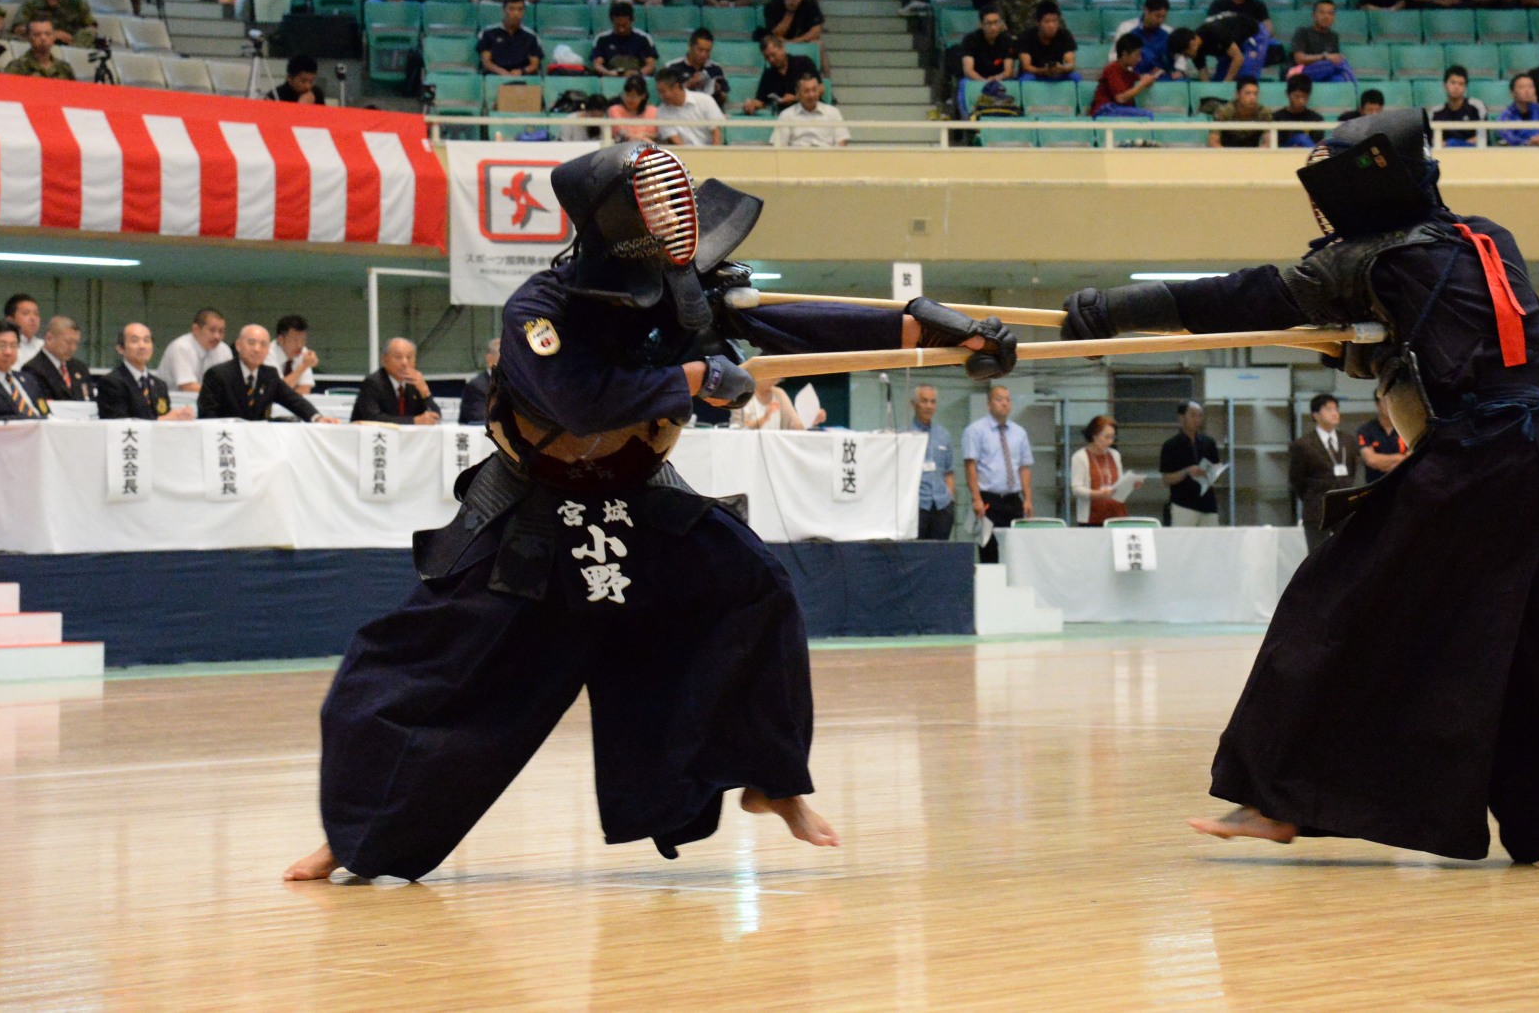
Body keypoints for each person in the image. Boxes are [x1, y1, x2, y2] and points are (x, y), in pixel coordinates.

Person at [1059, 110, 1539, 869]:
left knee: (1331, 608)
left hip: (1476, 463)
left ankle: (1280, 797)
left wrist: (1106, 310)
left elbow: (1239, 298)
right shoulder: (1490, 238)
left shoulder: (1366, 260)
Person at [285, 144, 1018, 883]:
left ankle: (773, 779)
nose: (678, 213)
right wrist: (693, 378)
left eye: (675, 199)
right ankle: (355, 837)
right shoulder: (539, 311)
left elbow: (794, 323)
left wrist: (931, 329)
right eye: (658, 203)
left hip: (638, 498)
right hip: (534, 511)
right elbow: (577, 400)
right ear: (619, 222)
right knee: (405, 662)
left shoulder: (681, 288)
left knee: (755, 585)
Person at [197, 323, 326, 422]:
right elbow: (207, 414)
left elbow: (294, 400)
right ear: (238, 345)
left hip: (257, 441)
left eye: (263, 345)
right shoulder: (218, 374)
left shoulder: (269, 375)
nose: (257, 349)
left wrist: (317, 418)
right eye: (251, 343)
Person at [962, 383, 1033, 563]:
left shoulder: (1019, 433)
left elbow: (1024, 467)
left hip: (1013, 499)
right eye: (999, 399)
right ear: (988, 404)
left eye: (1007, 400)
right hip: (988, 499)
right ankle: (990, 589)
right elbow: (971, 465)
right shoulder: (975, 431)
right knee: (989, 549)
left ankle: (1012, 588)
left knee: (1015, 551)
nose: (1004, 403)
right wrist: (976, 498)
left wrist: (1028, 499)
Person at [1289, 393, 1360, 553]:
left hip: (1344, 507)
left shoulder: (1347, 440)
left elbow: (1351, 471)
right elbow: (1296, 480)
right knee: (1317, 557)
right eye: (1328, 409)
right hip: (1316, 507)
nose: (1334, 413)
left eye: (1336, 409)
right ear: (1316, 415)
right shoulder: (1303, 444)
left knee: (1348, 555)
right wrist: (1312, 496)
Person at [95, 322, 193, 421]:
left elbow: (165, 418)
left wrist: (180, 417)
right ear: (120, 349)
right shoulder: (111, 382)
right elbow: (118, 423)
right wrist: (163, 420)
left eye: (147, 340)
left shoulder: (159, 385)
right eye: (134, 341)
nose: (142, 346)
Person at [1159, 400, 1222, 528]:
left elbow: (1217, 466)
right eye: (1193, 415)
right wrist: (1187, 471)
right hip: (1183, 504)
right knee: (1183, 544)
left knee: (1211, 543)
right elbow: (1166, 479)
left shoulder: (1209, 442)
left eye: (1200, 416)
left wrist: (1214, 470)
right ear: (1182, 418)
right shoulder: (1170, 445)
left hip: (1208, 503)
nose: (1197, 420)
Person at [352, 337, 442, 425]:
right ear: (384, 360)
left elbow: (436, 417)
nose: (404, 363)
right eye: (398, 357)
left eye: (409, 357)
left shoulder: (415, 383)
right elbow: (372, 418)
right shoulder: (373, 383)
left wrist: (425, 392)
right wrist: (413, 421)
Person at [907, 383, 956, 541]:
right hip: (917, 507)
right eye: (924, 401)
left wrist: (950, 500)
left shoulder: (944, 435)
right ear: (914, 404)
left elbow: (949, 471)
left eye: (933, 402)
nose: (929, 406)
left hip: (942, 506)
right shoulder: (904, 435)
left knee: (939, 557)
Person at [1071, 416, 1140, 527]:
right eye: (1106, 437)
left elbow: (1119, 484)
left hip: (1117, 515)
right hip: (1092, 517)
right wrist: (1098, 494)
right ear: (1094, 435)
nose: (1110, 441)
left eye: (1112, 437)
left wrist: (1130, 485)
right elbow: (1076, 489)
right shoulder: (1080, 456)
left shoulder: (1114, 455)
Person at [741, 34, 818, 116]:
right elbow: (762, 100)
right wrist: (752, 104)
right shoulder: (768, 74)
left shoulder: (804, 62)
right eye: (767, 57)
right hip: (785, 115)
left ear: (782, 48)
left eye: (773, 55)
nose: (771, 59)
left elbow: (820, 88)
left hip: (810, 109)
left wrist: (796, 97)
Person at [20, 315, 90, 403]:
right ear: (49, 338)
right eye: (68, 342)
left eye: (76, 343)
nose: (73, 348)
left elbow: (89, 399)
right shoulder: (33, 369)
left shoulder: (80, 368)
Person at [158, 308, 231, 394]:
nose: (217, 337)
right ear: (195, 329)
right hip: (174, 401)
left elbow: (229, 383)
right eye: (212, 330)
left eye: (221, 331)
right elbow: (188, 386)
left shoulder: (224, 350)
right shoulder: (181, 347)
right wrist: (222, 391)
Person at [1092, 32, 1161, 119]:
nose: (1139, 59)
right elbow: (1121, 98)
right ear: (1124, 54)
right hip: (1105, 110)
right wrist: (1142, 84)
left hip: (1117, 110)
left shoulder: (1129, 73)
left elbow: (1142, 78)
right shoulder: (1112, 69)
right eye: (1137, 55)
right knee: (1147, 116)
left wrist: (1148, 79)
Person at [653, 69, 726, 147]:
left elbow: (716, 132)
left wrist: (714, 154)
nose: (660, 96)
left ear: (676, 87)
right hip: (685, 154)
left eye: (663, 92)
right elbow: (677, 142)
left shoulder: (705, 100)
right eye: (659, 92)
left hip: (711, 151)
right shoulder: (661, 112)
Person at [773, 73, 847, 148]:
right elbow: (779, 146)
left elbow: (841, 143)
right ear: (798, 94)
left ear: (819, 91)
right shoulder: (786, 115)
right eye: (806, 91)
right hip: (796, 157)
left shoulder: (833, 112)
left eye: (814, 90)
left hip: (826, 157)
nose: (811, 95)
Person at [477, 0, 543, 76]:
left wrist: (521, 71)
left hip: (522, 78)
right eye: (511, 9)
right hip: (495, 76)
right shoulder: (489, 33)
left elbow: (534, 65)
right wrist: (501, 71)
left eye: (520, 9)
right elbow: (486, 62)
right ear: (504, 10)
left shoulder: (531, 36)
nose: (516, 13)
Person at [0, 320, 48, 420]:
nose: (8, 352)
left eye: (13, 346)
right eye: (1, 345)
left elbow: (45, 412)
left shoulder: (28, 379)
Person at [666, 30, 730, 111]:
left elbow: (724, 97)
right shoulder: (673, 67)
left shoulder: (716, 69)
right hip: (680, 112)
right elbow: (666, 95)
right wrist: (689, 84)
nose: (704, 55)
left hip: (708, 113)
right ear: (690, 46)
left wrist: (718, 90)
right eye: (700, 50)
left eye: (707, 51)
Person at [590, 1, 658, 77]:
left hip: (637, 78)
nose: (621, 29)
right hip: (610, 78)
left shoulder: (644, 38)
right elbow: (597, 65)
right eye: (617, 25)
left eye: (624, 25)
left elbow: (650, 65)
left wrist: (638, 73)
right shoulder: (602, 39)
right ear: (612, 21)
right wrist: (608, 73)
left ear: (632, 20)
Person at [733, 376, 819, 431]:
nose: (775, 381)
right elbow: (740, 427)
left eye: (778, 378)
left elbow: (794, 424)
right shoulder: (743, 394)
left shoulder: (779, 394)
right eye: (773, 377)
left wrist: (810, 420)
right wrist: (765, 417)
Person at [1495, 74, 1539, 146]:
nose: (1527, 91)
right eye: (1522, 87)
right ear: (1512, 93)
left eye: (1530, 87)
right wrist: (1529, 142)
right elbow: (1507, 137)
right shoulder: (1506, 115)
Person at [1018, 4, 1077, 81]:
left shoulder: (1065, 35)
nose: (1052, 25)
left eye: (1055, 21)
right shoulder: (1026, 36)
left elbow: (1070, 63)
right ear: (1038, 23)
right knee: (1026, 79)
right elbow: (1026, 67)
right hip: (1035, 73)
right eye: (1047, 22)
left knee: (1075, 77)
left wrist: (1062, 68)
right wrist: (1043, 71)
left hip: (1057, 73)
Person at [1210, 79, 1275, 147]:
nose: (1252, 97)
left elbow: (1269, 143)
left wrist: (1254, 155)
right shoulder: (1224, 112)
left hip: (1254, 154)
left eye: (1255, 94)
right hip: (1226, 153)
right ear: (1237, 94)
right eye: (1247, 93)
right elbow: (1213, 142)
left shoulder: (1263, 113)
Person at [2, 19, 73, 80]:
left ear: (54, 37)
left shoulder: (64, 68)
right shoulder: (17, 67)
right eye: (37, 34)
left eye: (48, 34)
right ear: (28, 38)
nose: (43, 38)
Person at [1433, 65, 1486, 145]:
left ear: (1465, 87)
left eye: (1461, 84)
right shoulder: (1437, 112)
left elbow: (1482, 137)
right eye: (1453, 83)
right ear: (1445, 85)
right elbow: (1434, 141)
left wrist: (1459, 145)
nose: (1456, 87)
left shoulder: (1476, 107)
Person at [269, 315, 317, 394]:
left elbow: (305, 389)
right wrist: (304, 366)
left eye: (303, 340)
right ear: (281, 339)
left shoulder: (303, 351)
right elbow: (277, 390)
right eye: (295, 340)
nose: (300, 345)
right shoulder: (268, 353)